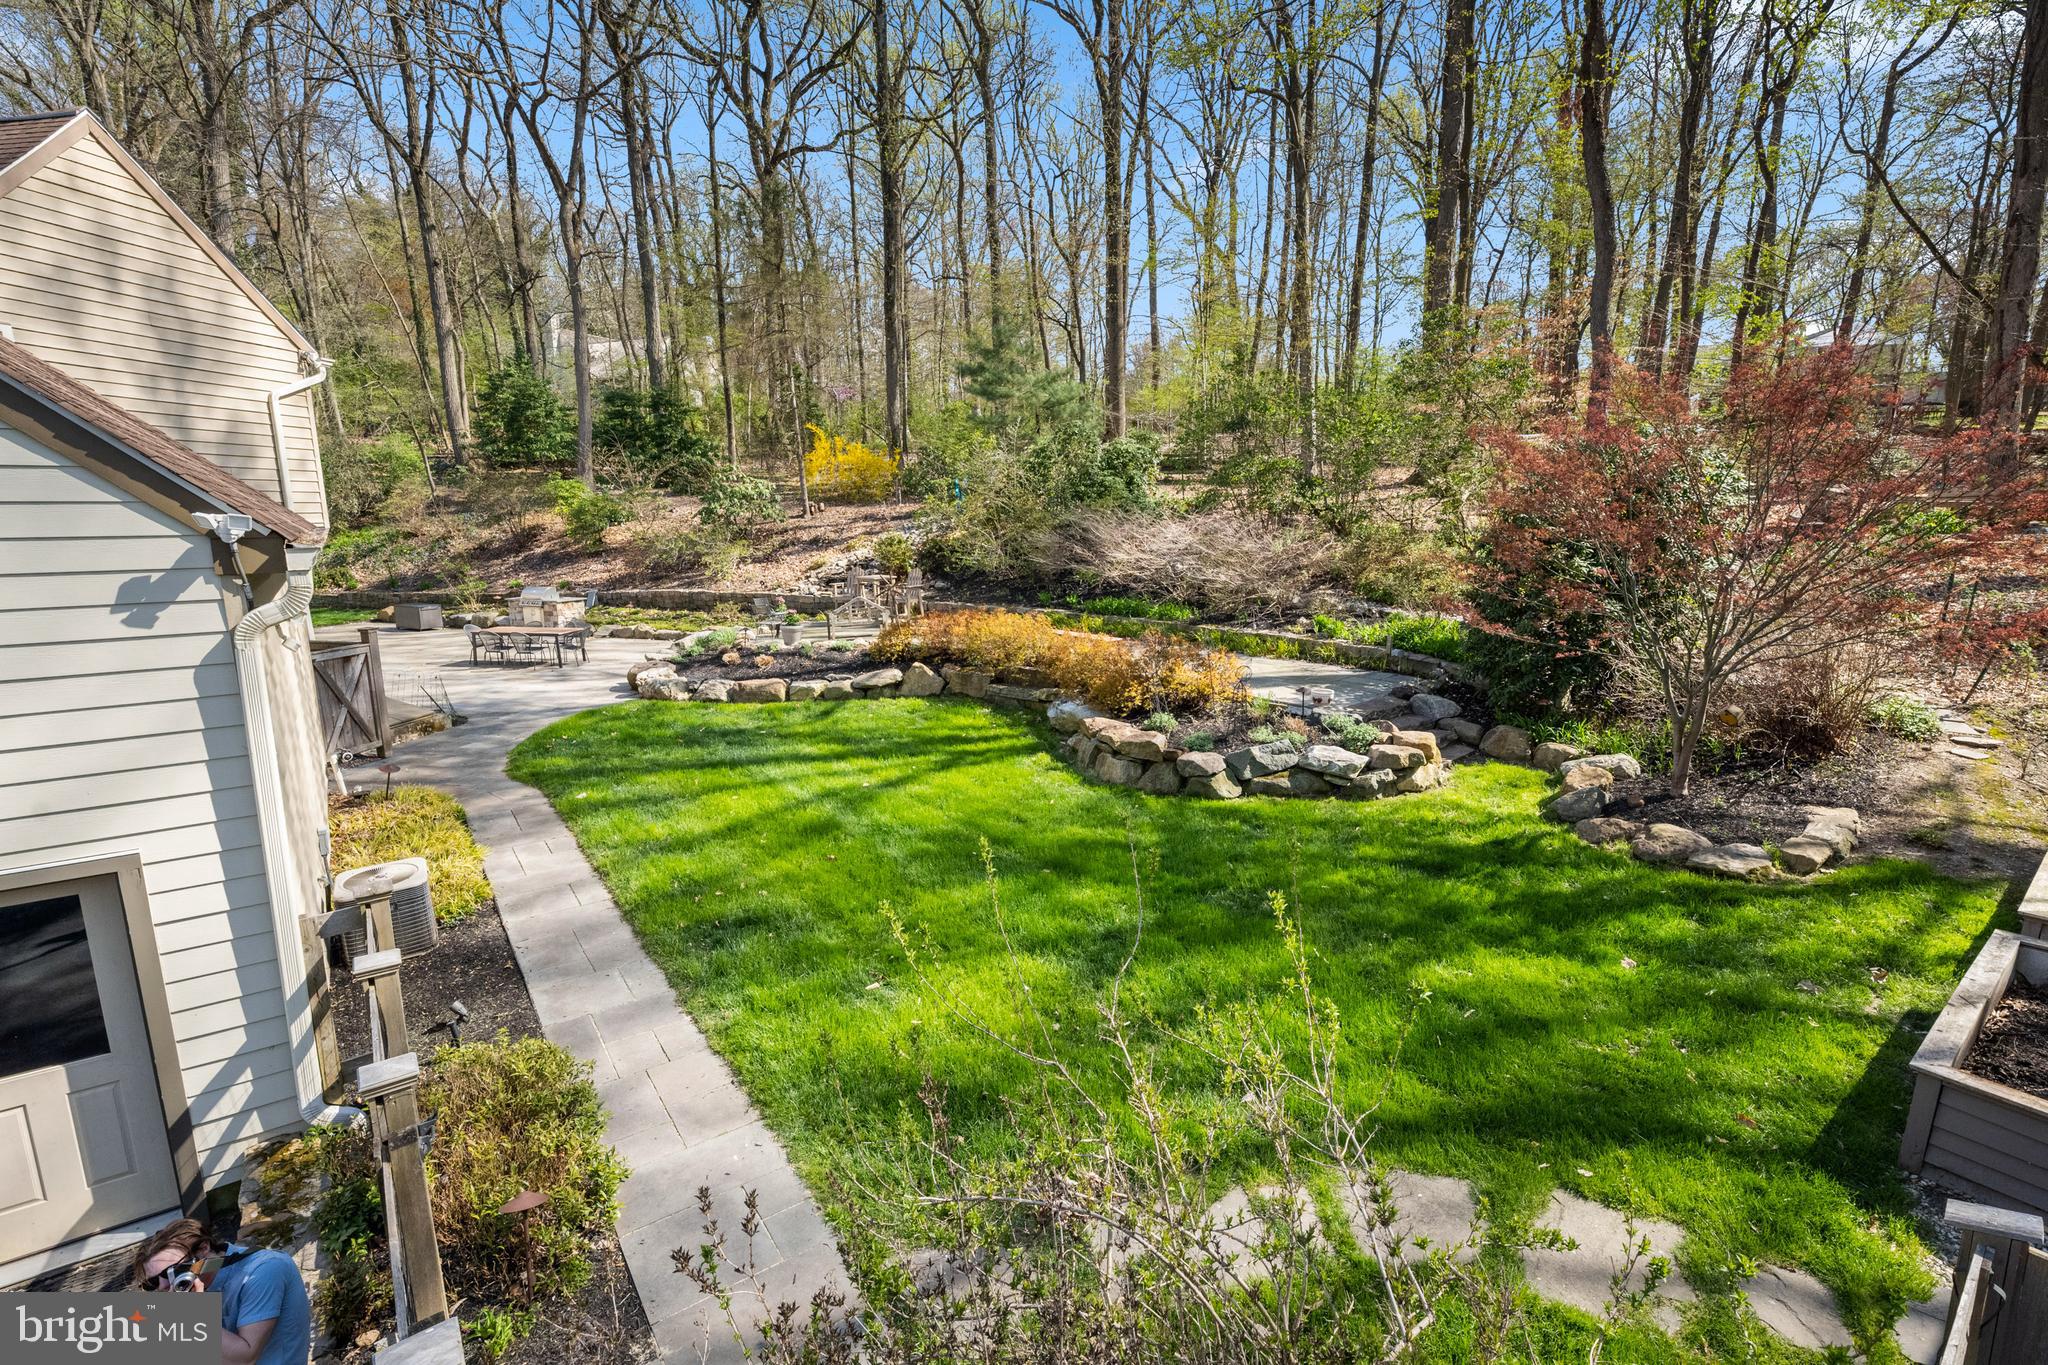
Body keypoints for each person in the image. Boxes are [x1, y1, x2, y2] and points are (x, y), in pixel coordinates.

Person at [132, 1218, 312, 1365]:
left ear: (203, 1249)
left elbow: (244, 1359)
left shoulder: (264, 1270)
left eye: (170, 1272)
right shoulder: (190, 1288)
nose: (163, 1286)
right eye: (153, 1282)